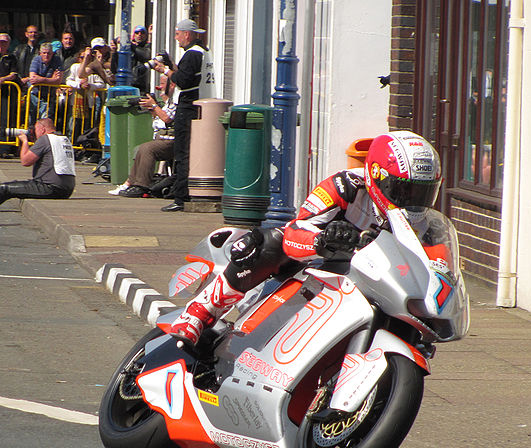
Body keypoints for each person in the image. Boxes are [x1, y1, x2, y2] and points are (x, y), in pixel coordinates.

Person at [168, 130, 443, 346]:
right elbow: (294, 230)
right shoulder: (346, 185)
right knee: (267, 242)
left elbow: (438, 267)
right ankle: (198, 313)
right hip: (314, 266)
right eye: (403, 191)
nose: (412, 202)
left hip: (371, 283)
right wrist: (323, 240)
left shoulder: (425, 225)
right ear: (376, 176)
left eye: (422, 193)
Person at [152, 18, 215, 212]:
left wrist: (166, 71)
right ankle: (184, 192)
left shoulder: (192, 54)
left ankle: (180, 197)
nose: (176, 38)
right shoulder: (204, 52)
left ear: (187, 34)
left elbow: (184, 80)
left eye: (178, 34)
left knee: (182, 151)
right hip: (202, 104)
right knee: (192, 151)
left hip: (188, 106)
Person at [108, 73, 176, 197]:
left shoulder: (177, 99)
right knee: (141, 148)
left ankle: (142, 185)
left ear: (171, 85)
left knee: (147, 149)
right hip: (162, 137)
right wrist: (152, 109)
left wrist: (154, 105)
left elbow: (167, 119)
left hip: (173, 140)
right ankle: (130, 183)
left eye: (162, 84)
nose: (159, 87)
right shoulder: (169, 101)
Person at [0, 118, 76, 205]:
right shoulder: (64, 139)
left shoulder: (45, 139)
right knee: (16, 185)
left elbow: (25, 161)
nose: (34, 133)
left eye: (35, 129)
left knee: (4, 188)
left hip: (49, 187)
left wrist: (25, 142)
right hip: (66, 189)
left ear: (42, 129)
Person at [27, 42, 63, 125]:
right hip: (34, 95)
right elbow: (33, 78)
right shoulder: (36, 59)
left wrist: (41, 79)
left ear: (52, 53)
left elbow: (58, 80)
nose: (46, 55)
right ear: (40, 53)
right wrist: (50, 80)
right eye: (44, 53)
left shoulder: (57, 60)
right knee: (31, 122)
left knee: (45, 122)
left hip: (48, 96)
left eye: (49, 53)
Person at [0, 33, 19, 156]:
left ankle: (4, 149)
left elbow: (13, 74)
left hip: (6, 94)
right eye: (0, 41)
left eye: (4, 42)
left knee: (5, 122)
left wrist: (2, 79)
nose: (2, 44)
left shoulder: (11, 58)